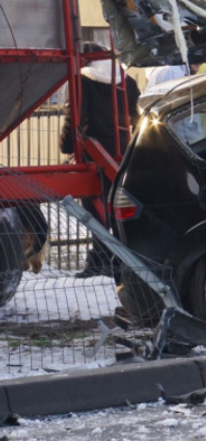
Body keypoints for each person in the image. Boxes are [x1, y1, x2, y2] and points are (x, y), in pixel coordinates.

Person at [60, 42, 141, 278]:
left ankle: (99, 261)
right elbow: (138, 115)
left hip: (92, 154)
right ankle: (118, 261)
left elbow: (75, 118)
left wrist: (66, 146)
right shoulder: (126, 80)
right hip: (122, 153)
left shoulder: (82, 81)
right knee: (118, 209)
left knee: (95, 211)